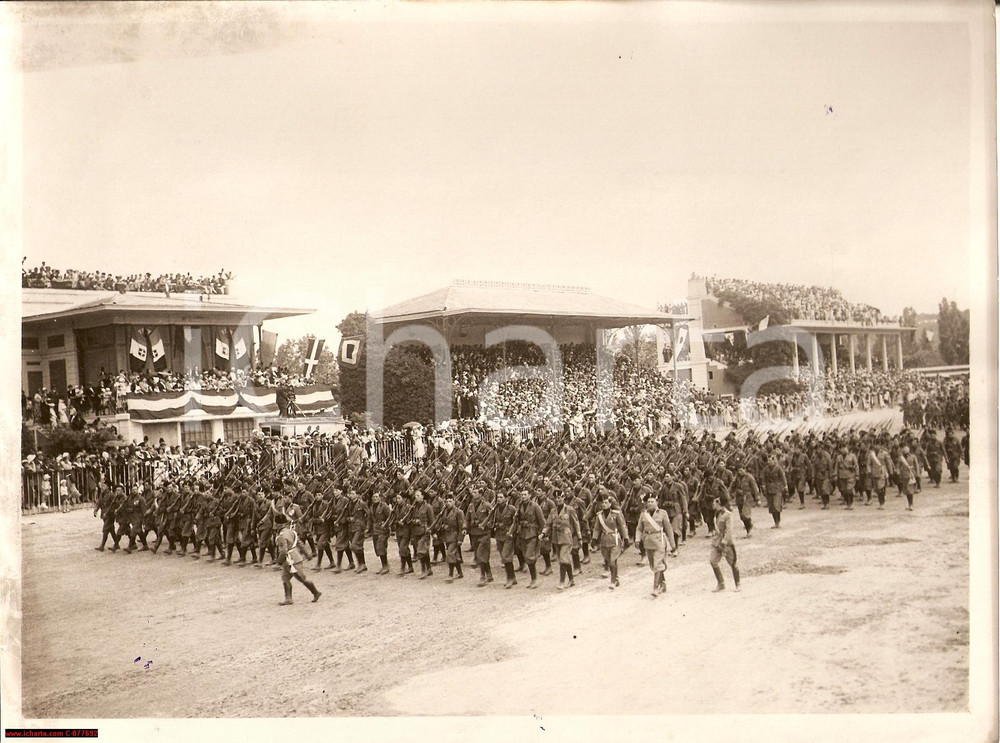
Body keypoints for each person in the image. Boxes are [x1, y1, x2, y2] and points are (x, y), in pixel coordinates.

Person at [274, 514, 321, 606]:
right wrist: (307, 554)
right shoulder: (291, 532)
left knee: (302, 578)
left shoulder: (281, 536)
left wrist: (278, 561)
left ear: (278, 525)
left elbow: (283, 551)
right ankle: (288, 599)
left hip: (291, 560)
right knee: (285, 578)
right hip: (295, 558)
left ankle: (316, 592)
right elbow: (299, 543)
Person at [635, 495, 675, 598]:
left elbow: (669, 529)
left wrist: (672, 543)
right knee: (653, 565)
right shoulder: (643, 515)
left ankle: (655, 588)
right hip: (648, 542)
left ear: (657, 503)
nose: (650, 503)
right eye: (648, 502)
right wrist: (637, 539)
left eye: (652, 502)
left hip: (659, 541)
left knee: (657, 564)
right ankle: (663, 583)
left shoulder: (662, 513)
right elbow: (639, 528)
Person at [541, 491, 581, 590]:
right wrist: (543, 533)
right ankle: (571, 580)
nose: (558, 500)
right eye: (556, 498)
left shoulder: (569, 509)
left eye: (560, 497)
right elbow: (548, 524)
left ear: (563, 498)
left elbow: (576, 523)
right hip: (556, 538)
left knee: (563, 559)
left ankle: (562, 581)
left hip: (566, 537)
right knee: (563, 560)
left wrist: (579, 536)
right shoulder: (553, 511)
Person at [590, 494, 628, 589]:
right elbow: (597, 529)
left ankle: (613, 580)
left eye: (606, 502)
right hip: (604, 541)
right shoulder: (599, 515)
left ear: (610, 504)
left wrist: (626, 538)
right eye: (602, 503)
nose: (604, 504)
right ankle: (616, 578)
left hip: (614, 540)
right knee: (609, 560)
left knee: (612, 561)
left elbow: (622, 527)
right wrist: (594, 539)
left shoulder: (616, 514)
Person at [709, 494, 740, 592]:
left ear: (719, 503)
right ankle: (721, 583)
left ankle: (738, 584)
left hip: (726, 542)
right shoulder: (716, 513)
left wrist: (724, 542)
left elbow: (729, 530)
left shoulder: (728, 514)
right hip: (717, 542)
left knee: (732, 563)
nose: (713, 504)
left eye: (714, 502)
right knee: (713, 561)